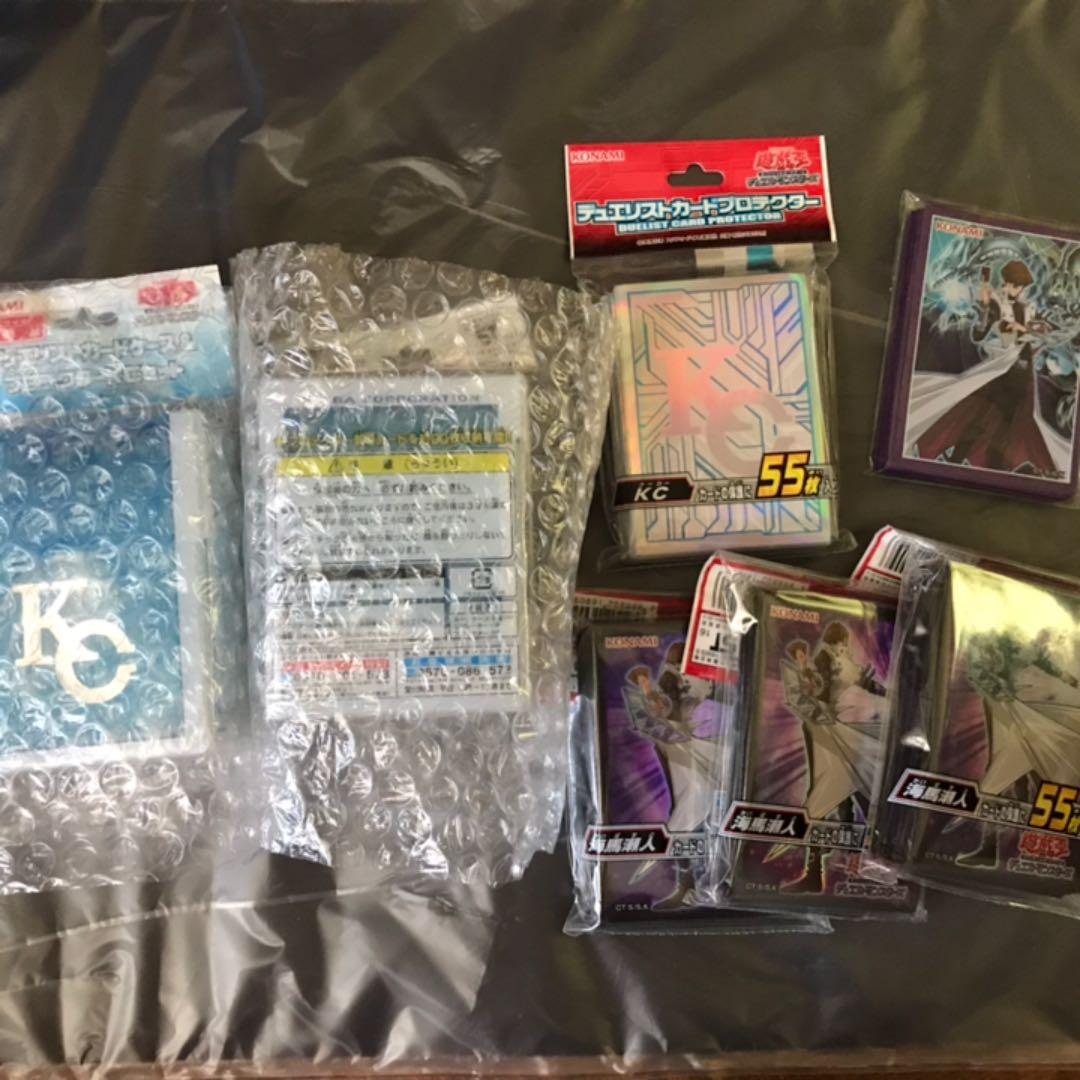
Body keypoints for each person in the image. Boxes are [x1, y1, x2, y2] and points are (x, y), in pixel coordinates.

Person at [911, 259, 1064, 476]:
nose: (1011, 289)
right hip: (1001, 373)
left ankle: (994, 465)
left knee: (1007, 424)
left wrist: (1038, 330)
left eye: (1016, 286)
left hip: (1021, 377)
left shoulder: (1027, 309)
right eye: (1009, 284)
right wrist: (988, 313)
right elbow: (984, 334)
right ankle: (956, 457)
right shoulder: (998, 306)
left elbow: (1043, 332)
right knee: (980, 416)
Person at [955, 627, 1080, 868]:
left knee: (1032, 771)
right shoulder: (985, 636)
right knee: (1008, 777)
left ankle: (1036, 844)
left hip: (1023, 709)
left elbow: (1036, 656)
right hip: (1006, 709)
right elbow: (979, 672)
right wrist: (1004, 693)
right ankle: (993, 847)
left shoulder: (1013, 635)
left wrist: (1064, 677)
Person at [779, 622, 887, 894]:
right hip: (833, 734)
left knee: (845, 797)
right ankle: (828, 867)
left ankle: (852, 862)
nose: (843, 645)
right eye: (841, 641)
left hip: (845, 733)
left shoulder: (835, 659)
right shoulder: (825, 660)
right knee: (839, 798)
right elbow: (819, 693)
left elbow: (851, 687)